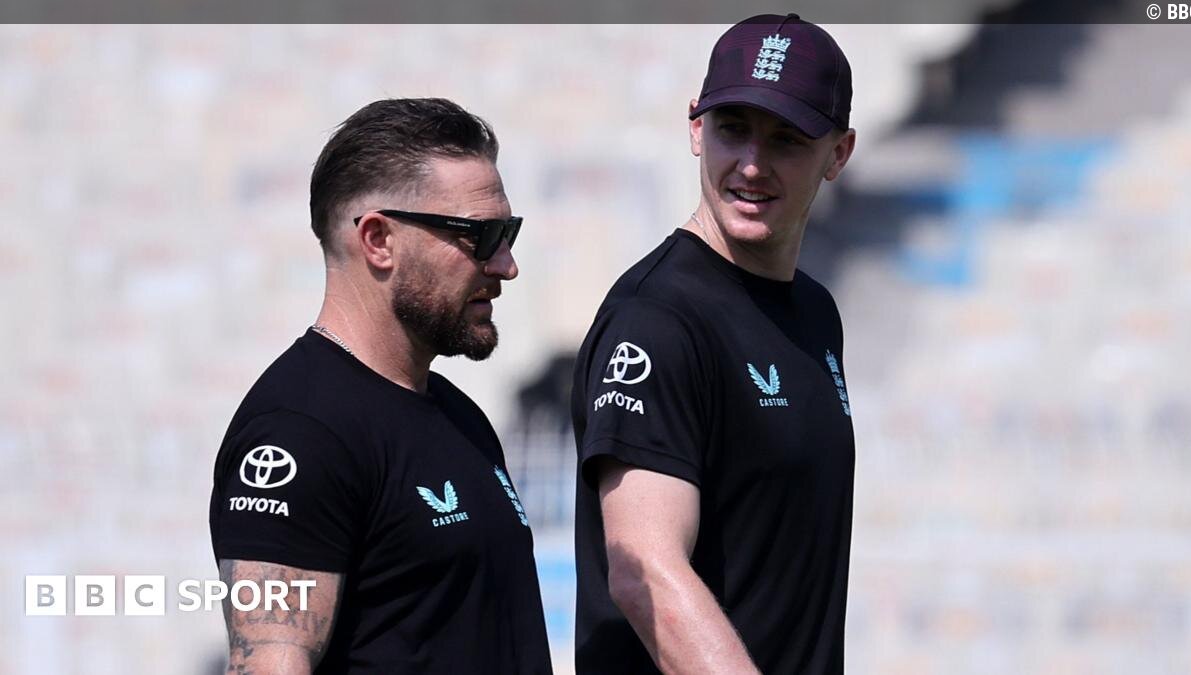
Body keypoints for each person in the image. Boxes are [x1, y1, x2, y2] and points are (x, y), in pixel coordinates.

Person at [209, 98, 552, 674]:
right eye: (483, 235)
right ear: (378, 240)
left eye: (509, 233)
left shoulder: (458, 417)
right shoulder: (299, 434)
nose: (506, 265)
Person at [571, 15, 858, 674]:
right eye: (733, 128)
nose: (752, 164)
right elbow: (644, 570)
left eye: (786, 139)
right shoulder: (656, 320)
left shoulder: (815, 312)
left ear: (839, 154)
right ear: (696, 128)